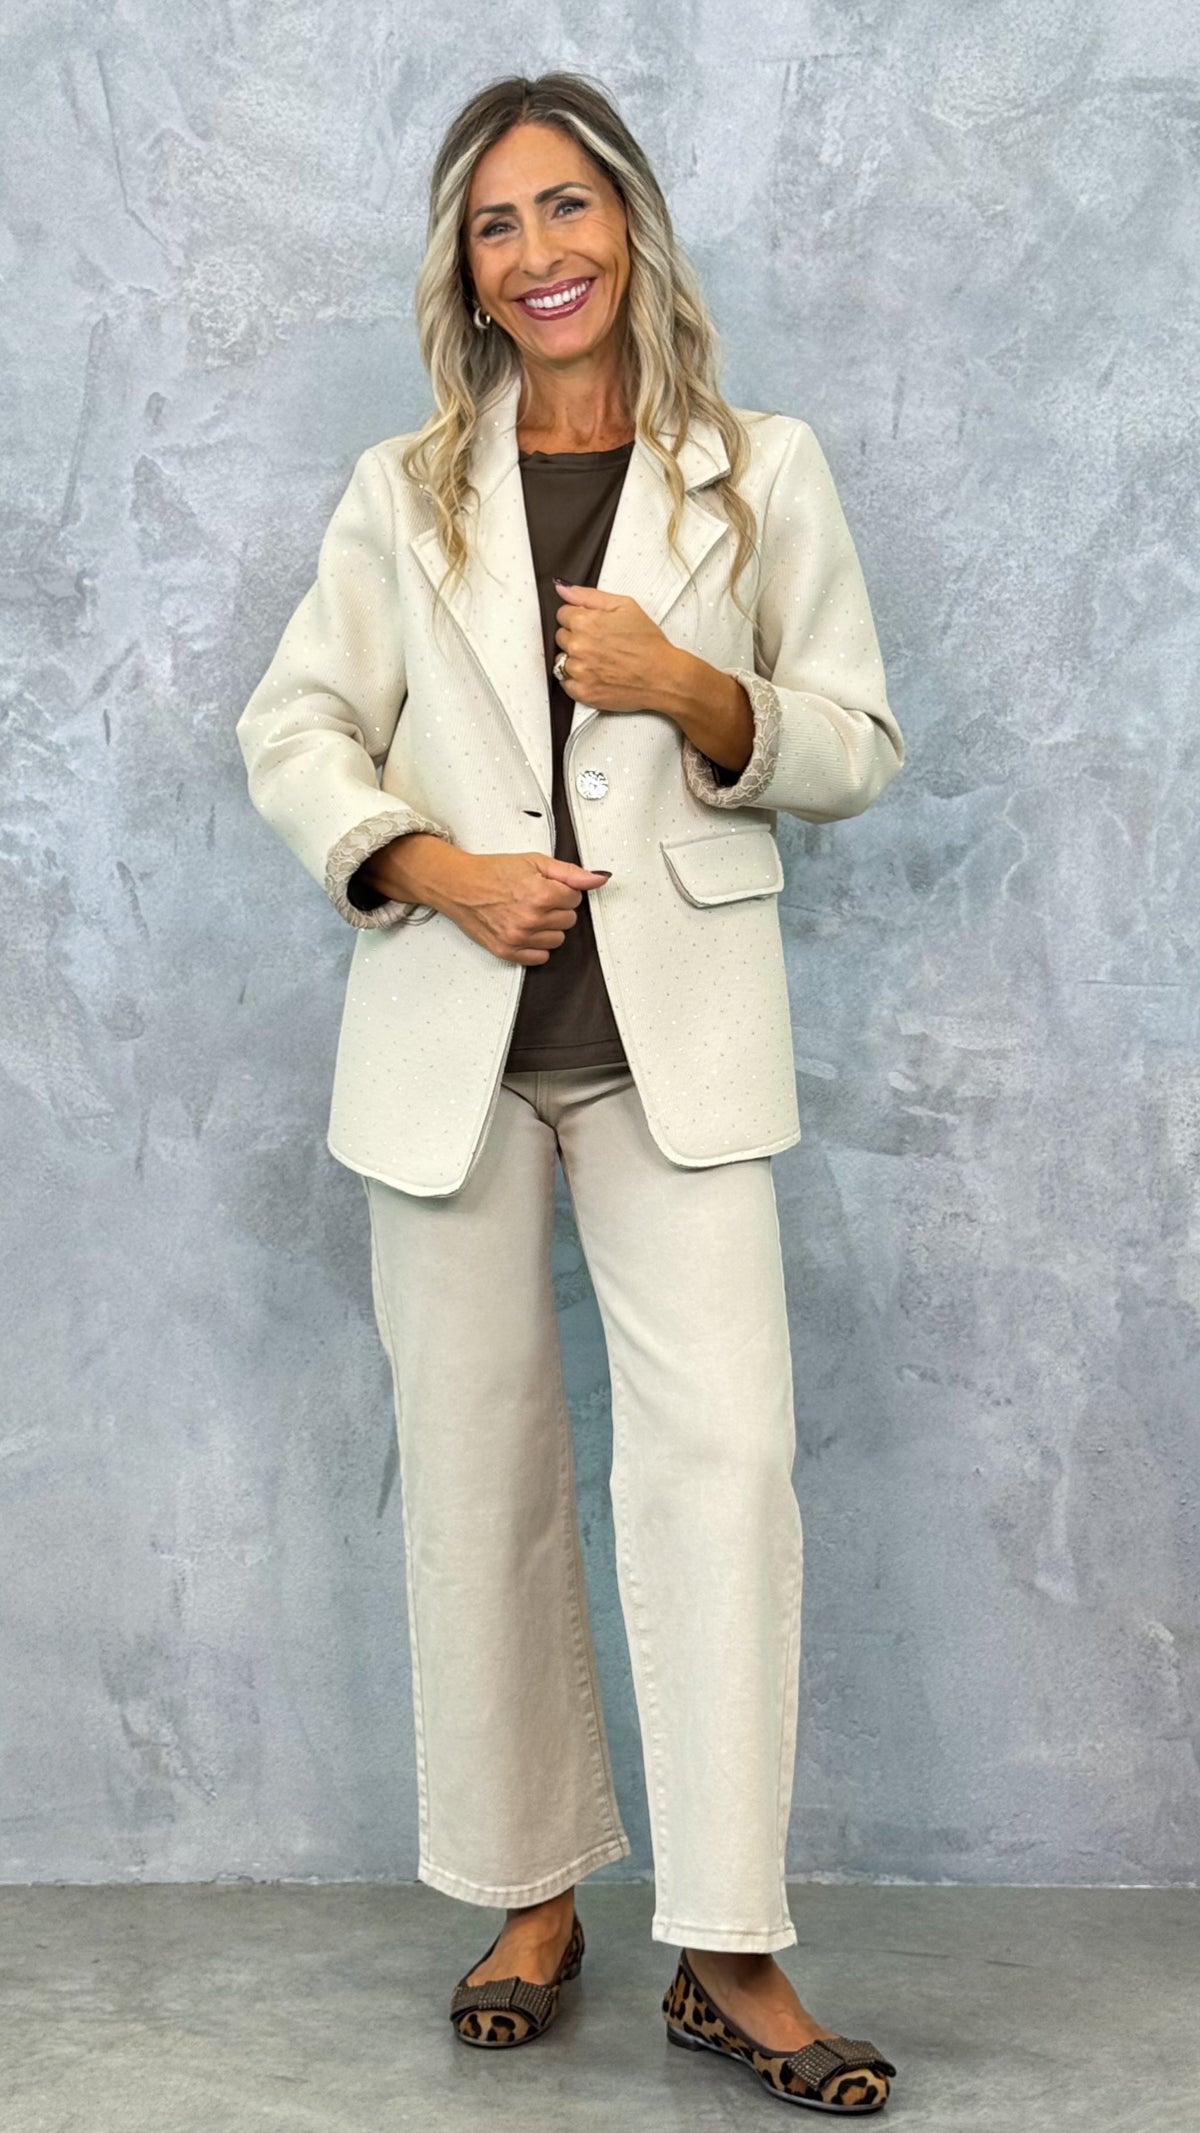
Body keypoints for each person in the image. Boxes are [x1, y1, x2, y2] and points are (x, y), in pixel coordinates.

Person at [236, 69, 904, 2116]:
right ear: (464, 269)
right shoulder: (402, 489)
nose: (539, 253)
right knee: (480, 1479)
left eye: (567, 207)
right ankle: (531, 1898)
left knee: (726, 1472)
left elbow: (856, 738)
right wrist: (434, 868)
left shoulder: (758, 469)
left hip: (676, 1050)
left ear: (631, 225)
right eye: (496, 223)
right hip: (449, 1048)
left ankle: (730, 1939)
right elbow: (295, 729)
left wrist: (687, 685)